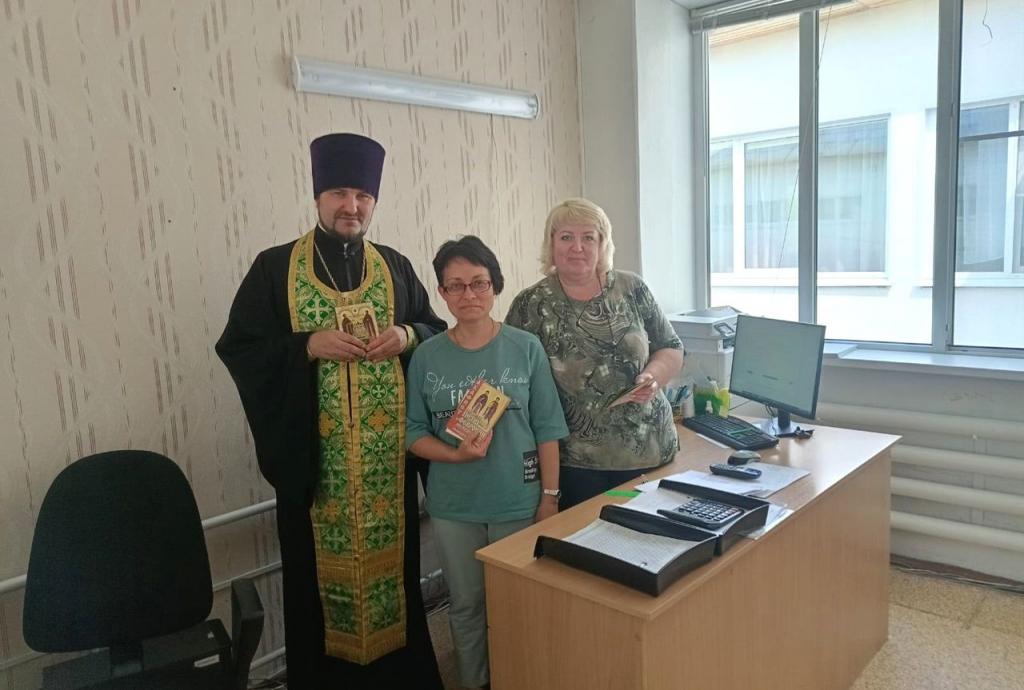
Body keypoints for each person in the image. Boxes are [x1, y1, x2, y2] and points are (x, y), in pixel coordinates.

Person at [216, 133, 446, 689]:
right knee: (316, 597)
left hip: (388, 470)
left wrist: (406, 334)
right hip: (315, 474)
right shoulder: (275, 268)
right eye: (340, 193)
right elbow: (239, 347)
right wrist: (306, 346)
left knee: (397, 585)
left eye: (363, 196)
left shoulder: (395, 266)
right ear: (318, 196)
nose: (352, 206)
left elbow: (436, 329)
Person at [405, 236, 568, 690]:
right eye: (455, 286)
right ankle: (474, 682)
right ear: (442, 293)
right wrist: (454, 454)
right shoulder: (426, 356)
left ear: (495, 285)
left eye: (478, 282)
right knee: (466, 605)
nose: (468, 295)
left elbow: (548, 429)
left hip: (519, 501)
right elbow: (413, 433)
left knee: (519, 604)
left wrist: (550, 499)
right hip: (454, 506)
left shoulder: (525, 347)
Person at [505, 198, 684, 509]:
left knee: (651, 536)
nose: (577, 247)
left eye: (588, 237)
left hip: (651, 451)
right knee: (587, 537)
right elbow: (512, 379)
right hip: (576, 464)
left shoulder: (632, 288)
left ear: (602, 244)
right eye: (566, 237)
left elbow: (671, 346)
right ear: (551, 243)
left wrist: (653, 377)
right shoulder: (530, 305)